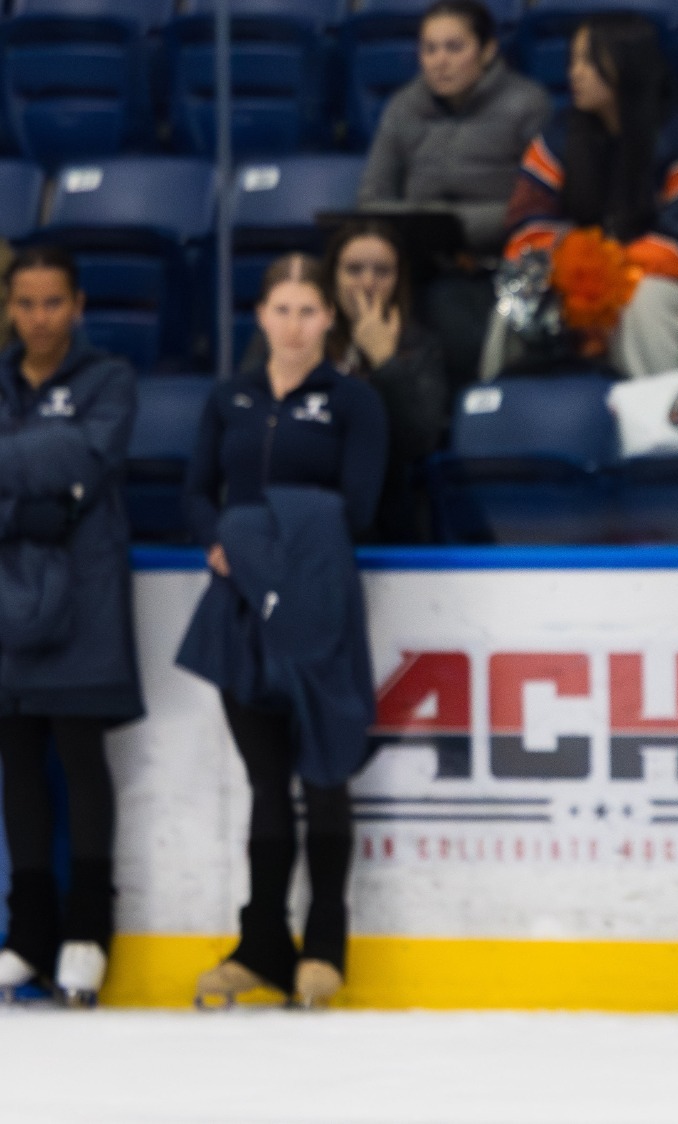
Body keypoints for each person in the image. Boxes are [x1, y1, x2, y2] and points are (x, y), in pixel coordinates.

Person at [180, 255, 389, 1010]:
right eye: (282, 310)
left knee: (323, 773)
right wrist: (222, 537)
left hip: (319, 598)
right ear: (260, 316)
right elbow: (197, 493)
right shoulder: (229, 398)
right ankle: (263, 941)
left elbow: (357, 505)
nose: (295, 325)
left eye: (309, 310)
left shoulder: (352, 401)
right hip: (240, 602)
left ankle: (326, 943)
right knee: (266, 782)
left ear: (329, 318)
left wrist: (253, 528)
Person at [0, 246, 143, 1008]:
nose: (39, 319)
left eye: (52, 303)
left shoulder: (109, 379)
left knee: (79, 754)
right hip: (8, 596)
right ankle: (27, 934)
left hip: (82, 595)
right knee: (17, 758)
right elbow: (61, 464)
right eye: (25, 304)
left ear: (79, 305)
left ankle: (88, 931)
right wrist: (27, 501)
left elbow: (93, 452)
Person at [492, 13, 678, 379]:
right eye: (572, 60)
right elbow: (528, 218)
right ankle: (502, 420)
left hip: (656, 278)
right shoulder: (559, 134)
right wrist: (575, 265)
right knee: (518, 302)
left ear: (627, 63)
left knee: (644, 302)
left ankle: (656, 425)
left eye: (589, 61)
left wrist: (612, 272)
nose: (575, 72)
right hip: (575, 274)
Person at [360, 0, 550, 388]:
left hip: (494, 266)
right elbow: (371, 198)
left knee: (446, 306)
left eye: (453, 48)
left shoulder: (526, 105)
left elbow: (536, 206)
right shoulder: (403, 108)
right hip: (414, 259)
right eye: (429, 49)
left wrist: (454, 225)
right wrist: (422, 224)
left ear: (488, 50)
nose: (439, 61)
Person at [243, 221, 449, 543]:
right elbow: (249, 414)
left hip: (382, 518)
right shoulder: (293, 333)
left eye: (382, 271)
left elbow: (419, 441)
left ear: (399, 279)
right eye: (353, 270)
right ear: (332, 276)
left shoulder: (419, 346)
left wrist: (385, 362)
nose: (367, 282)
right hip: (290, 504)